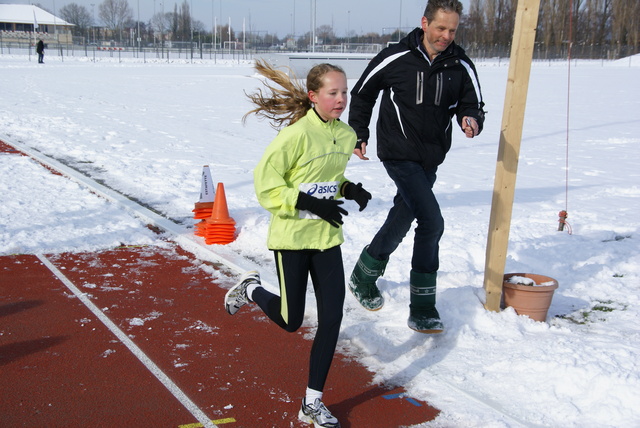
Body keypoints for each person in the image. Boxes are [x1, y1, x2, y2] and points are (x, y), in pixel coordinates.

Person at [224, 59, 371, 428]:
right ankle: (252, 289)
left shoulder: (347, 135)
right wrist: (308, 203)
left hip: (326, 238)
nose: (341, 99)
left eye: (344, 92)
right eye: (332, 93)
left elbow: (327, 179)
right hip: (291, 238)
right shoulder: (295, 136)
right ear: (313, 96)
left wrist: (349, 188)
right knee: (291, 321)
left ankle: (311, 403)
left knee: (332, 318)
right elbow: (267, 185)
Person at [347, 0, 485, 334]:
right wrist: (358, 133)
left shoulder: (460, 63)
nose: (446, 36)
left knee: (404, 214)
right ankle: (423, 305)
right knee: (431, 221)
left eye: (452, 30)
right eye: (440, 28)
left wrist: (471, 119)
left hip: (431, 157)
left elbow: (473, 102)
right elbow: (363, 93)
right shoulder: (396, 56)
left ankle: (363, 274)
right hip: (398, 152)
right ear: (425, 23)